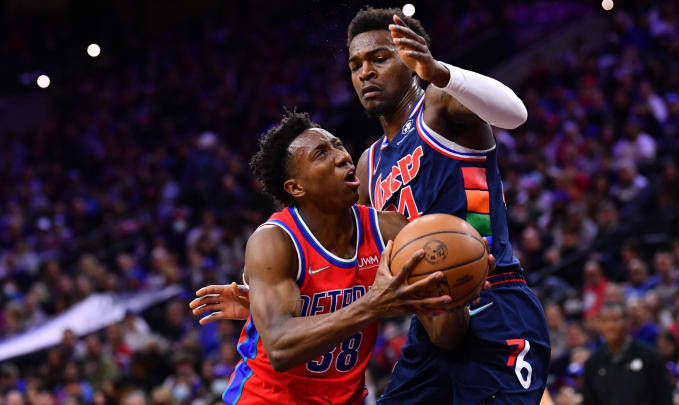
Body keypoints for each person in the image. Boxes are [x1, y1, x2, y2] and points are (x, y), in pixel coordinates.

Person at [189, 111, 489, 404]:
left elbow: (445, 339)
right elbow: (279, 348)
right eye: (321, 154)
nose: (343, 156)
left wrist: (455, 291)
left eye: (338, 145)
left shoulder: (389, 230)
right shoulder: (274, 241)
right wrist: (372, 304)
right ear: (296, 187)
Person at [347, 7, 550, 404]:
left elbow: (515, 113)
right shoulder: (368, 164)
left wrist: (438, 71)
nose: (365, 72)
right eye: (355, 65)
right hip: (430, 325)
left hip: (492, 298)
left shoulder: (439, 106)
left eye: (380, 58)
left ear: (410, 59)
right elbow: (363, 260)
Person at [582, 303, 673, 405]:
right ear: (599, 325)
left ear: (627, 322)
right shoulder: (593, 363)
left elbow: (664, 398)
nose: (610, 326)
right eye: (605, 321)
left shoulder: (650, 357)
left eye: (615, 320)